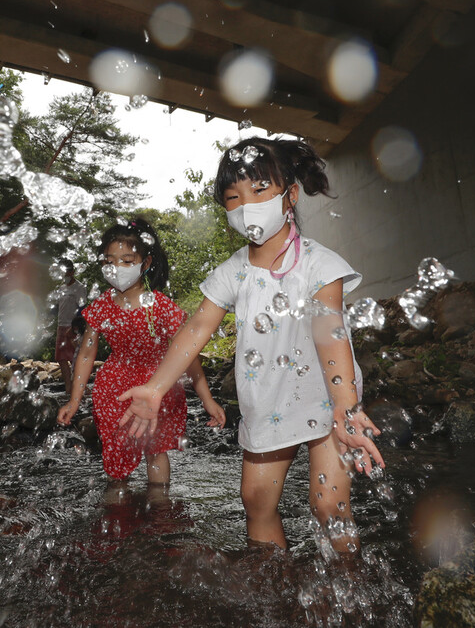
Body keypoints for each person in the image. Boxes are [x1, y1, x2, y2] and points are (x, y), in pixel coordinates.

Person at [117, 138, 385, 553]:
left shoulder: (319, 263)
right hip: (268, 403)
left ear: (290, 195)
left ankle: (348, 588)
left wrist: (346, 408)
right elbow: (195, 329)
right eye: (233, 198)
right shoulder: (232, 272)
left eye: (259, 191)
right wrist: (155, 388)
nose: (246, 205)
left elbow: (329, 332)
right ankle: (272, 586)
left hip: (327, 397)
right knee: (256, 500)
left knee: (328, 502)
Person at [57, 218, 226, 485]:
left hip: (160, 385)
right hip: (114, 390)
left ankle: (159, 506)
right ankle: (116, 507)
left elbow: (187, 355)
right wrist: (74, 400)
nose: (116, 268)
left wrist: (207, 400)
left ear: (145, 264)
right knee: (114, 452)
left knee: (156, 451)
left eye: (126, 260)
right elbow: (86, 354)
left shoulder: (160, 306)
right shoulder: (101, 305)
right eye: (109, 261)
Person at [54, 259, 87, 394]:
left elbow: (82, 308)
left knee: (77, 358)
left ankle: (81, 388)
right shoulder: (61, 288)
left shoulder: (79, 288)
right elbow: (59, 307)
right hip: (61, 325)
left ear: (72, 272)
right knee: (61, 358)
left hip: (73, 327)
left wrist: (74, 327)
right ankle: (68, 388)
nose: (65, 275)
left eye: (67, 272)